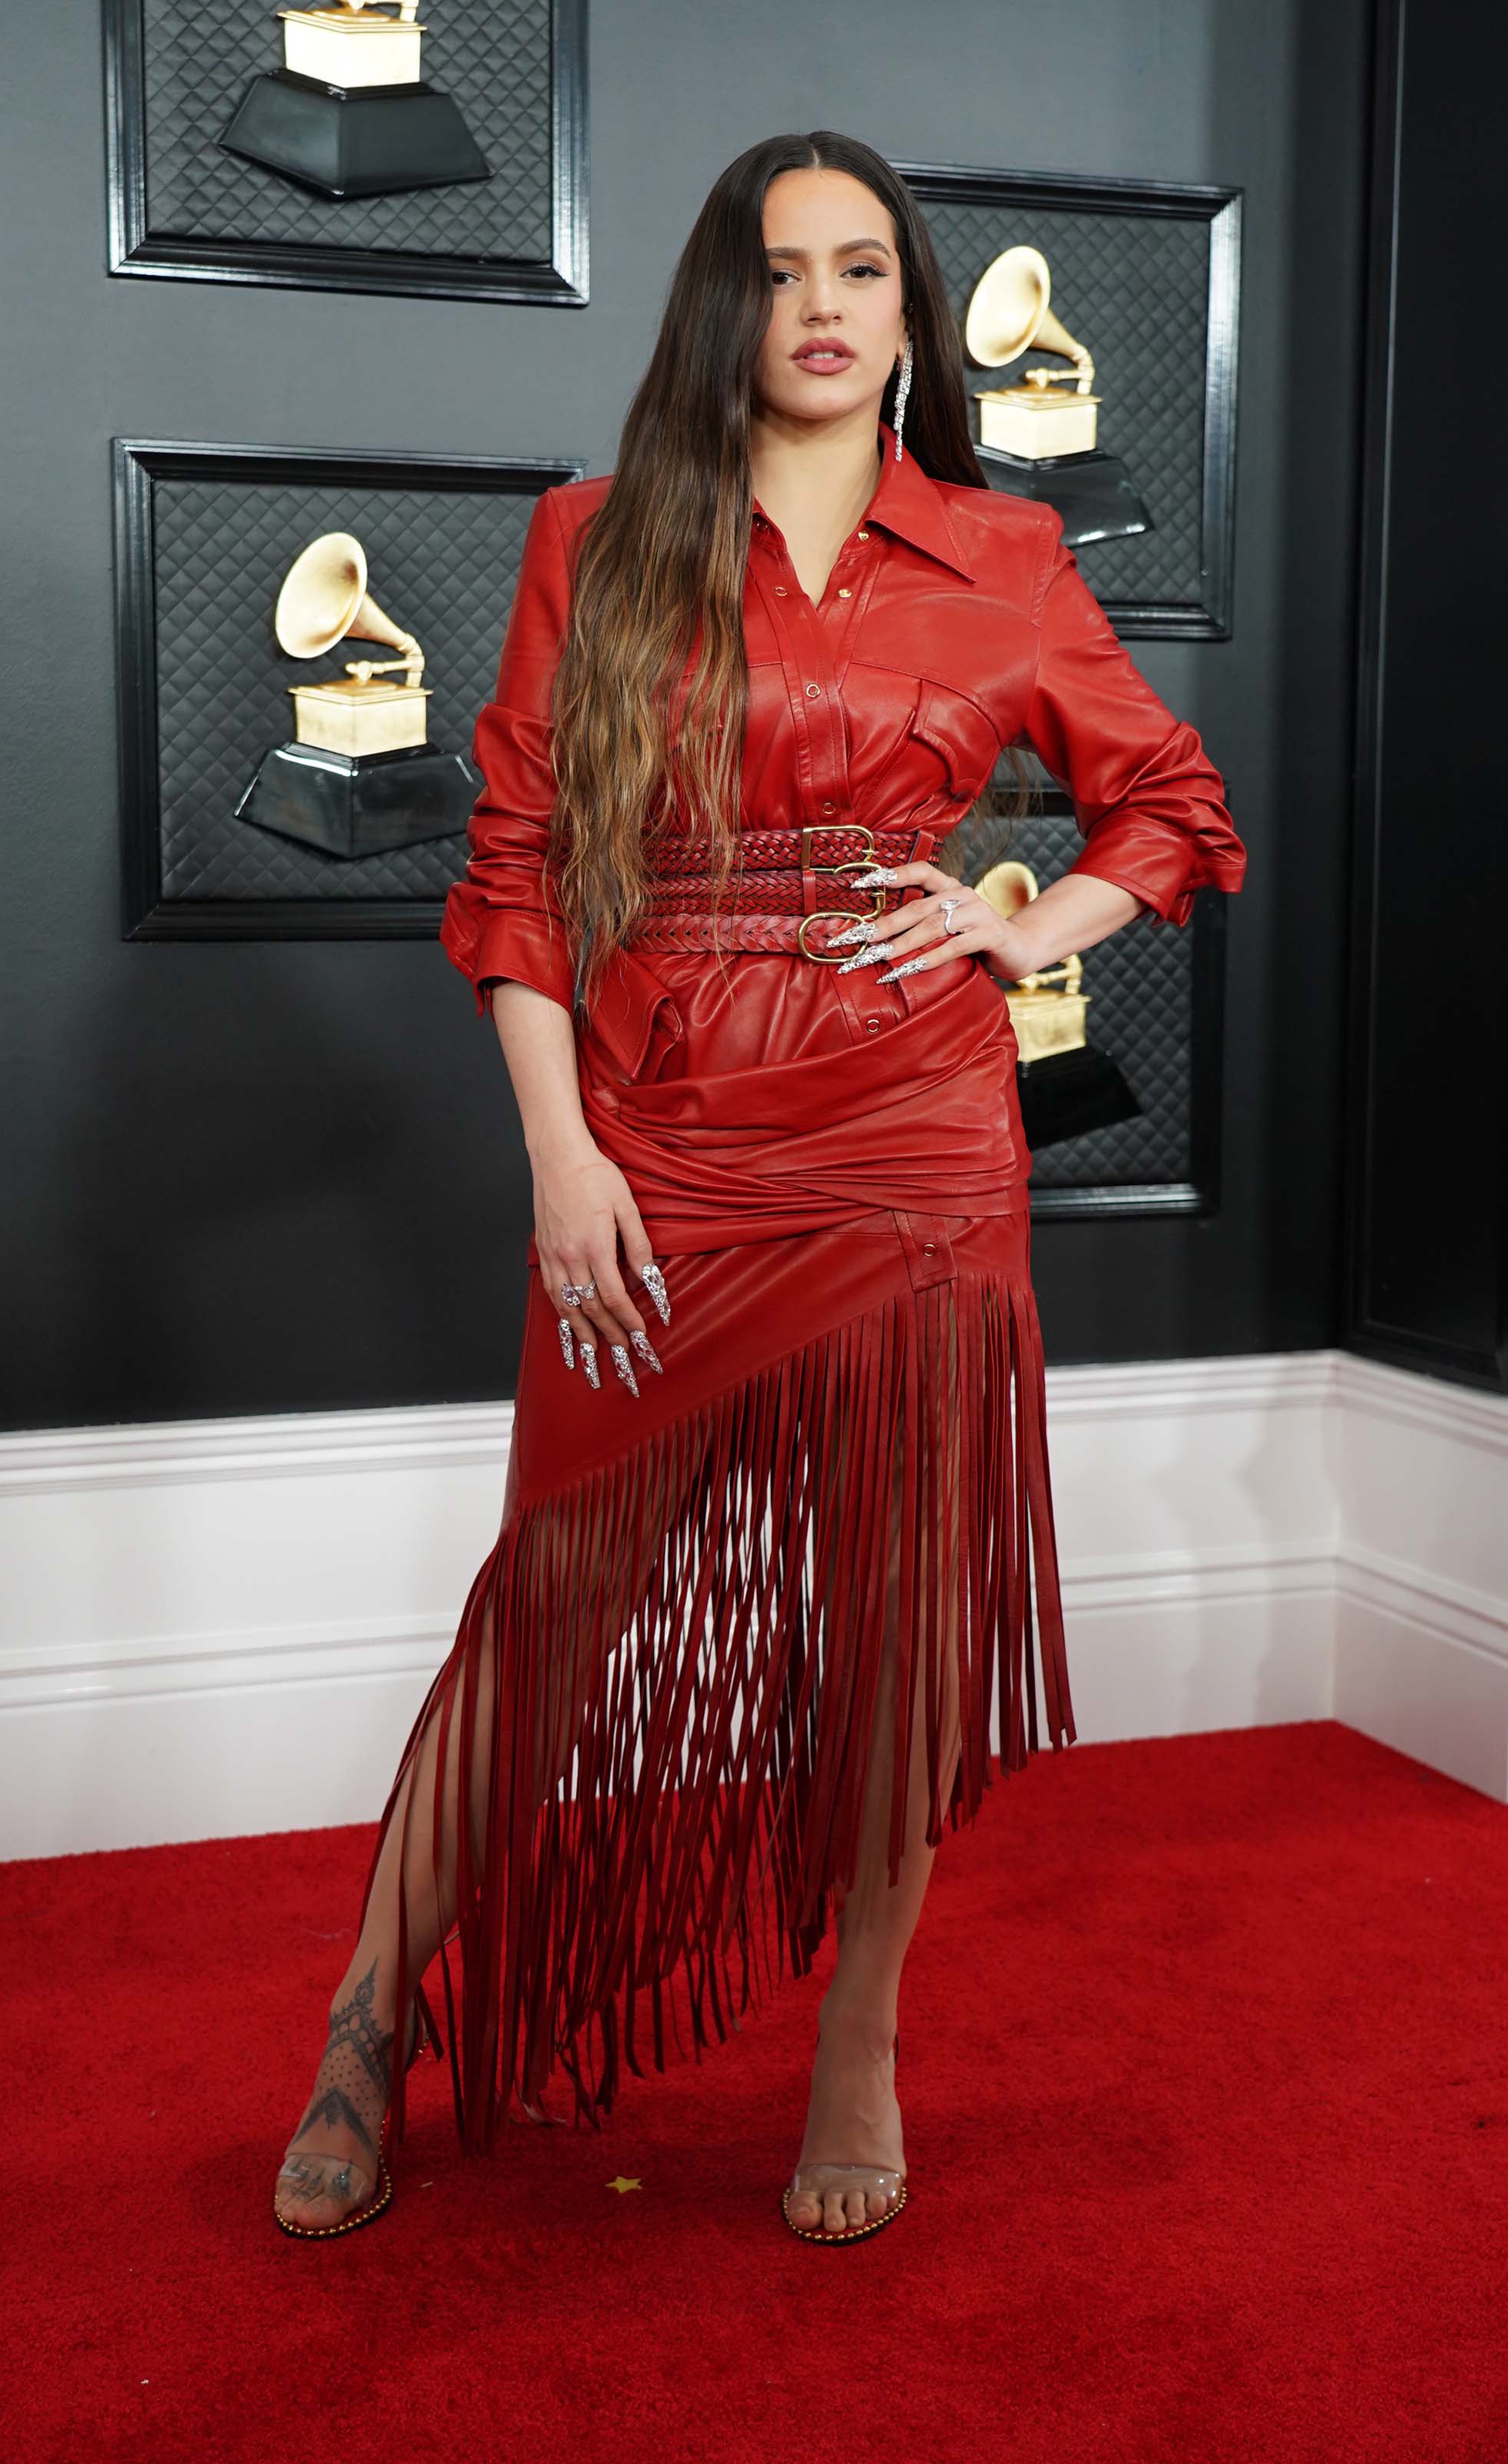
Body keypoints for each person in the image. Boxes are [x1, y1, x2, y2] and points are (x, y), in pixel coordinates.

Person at [273, 129, 1245, 2245]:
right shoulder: (594, 539)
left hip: (914, 1145)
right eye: (784, 267)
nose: (824, 302)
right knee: (546, 1610)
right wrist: (560, 1158)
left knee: (896, 1635)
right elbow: (517, 877)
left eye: (865, 269)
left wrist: (1019, 924)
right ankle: (368, 2017)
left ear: (909, 314)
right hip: (658, 1134)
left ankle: (861, 2042)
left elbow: (1168, 802)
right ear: (727, 303)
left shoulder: (1003, 549)